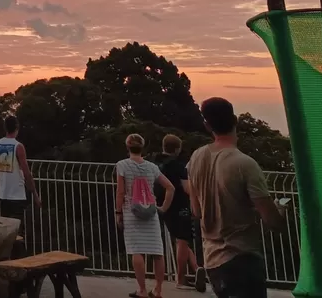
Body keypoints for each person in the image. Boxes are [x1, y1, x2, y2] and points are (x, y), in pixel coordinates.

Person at [189, 97, 286, 298]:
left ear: (207, 125)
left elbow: (197, 211)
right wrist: (279, 211)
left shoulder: (196, 159)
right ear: (235, 120)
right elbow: (272, 221)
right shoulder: (245, 164)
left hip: (212, 262)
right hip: (242, 259)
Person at [115, 132, 175, 298]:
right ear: (143, 147)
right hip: (151, 212)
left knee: (137, 250)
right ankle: (158, 290)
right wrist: (163, 207)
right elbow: (170, 187)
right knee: (157, 252)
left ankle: (141, 289)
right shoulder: (152, 167)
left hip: (131, 212)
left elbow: (120, 191)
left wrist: (118, 212)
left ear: (127, 147)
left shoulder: (122, 165)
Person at [158, 133, 198, 289]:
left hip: (161, 205)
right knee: (182, 240)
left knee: (179, 240)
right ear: (177, 149)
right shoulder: (178, 166)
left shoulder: (156, 162)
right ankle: (181, 279)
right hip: (180, 206)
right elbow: (187, 188)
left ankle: (196, 268)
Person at [0, 114, 40, 240]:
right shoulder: (18, 146)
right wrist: (35, 194)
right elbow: (26, 172)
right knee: (17, 231)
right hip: (17, 193)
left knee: (5, 230)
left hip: (3, 193)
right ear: (17, 128)